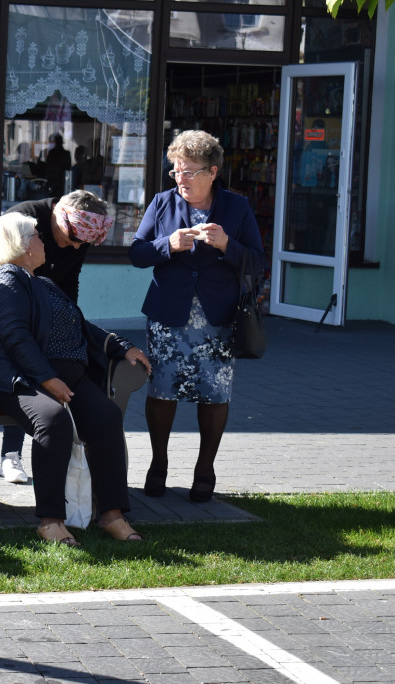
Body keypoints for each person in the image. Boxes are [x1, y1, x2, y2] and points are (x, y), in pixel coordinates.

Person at [0, 212, 151, 546]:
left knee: (107, 417)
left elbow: (82, 327)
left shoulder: (43, 282)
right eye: (37, 236)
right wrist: (48, 379)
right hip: (17, 376)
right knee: (52, 422)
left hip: (63, 377)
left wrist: (121, 346)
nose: (43, 240)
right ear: (22, 245)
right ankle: (51, 520)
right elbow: (15, 337)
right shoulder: (7, 278)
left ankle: (111, 513)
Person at [128, 129, 265, 503]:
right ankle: (158, 465)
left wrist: (226, 245)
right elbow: (137, 254)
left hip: (217, 317)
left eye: (189, 171)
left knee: (214, 394)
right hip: (169, 314)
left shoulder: (236, 208)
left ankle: (205, 469)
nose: (181, 178)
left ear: (212, 171)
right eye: (176, 171)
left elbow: (257, 262)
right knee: (162, 391)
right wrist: (166, 245)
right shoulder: (161, 203)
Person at [0, 189, 104, 483]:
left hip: (29, 310)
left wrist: (65, 318)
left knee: (26, 374)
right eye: (73, 238)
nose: (76, 247)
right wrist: (10, 314)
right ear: (59, 217)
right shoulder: (23, 219)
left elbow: (69, 282)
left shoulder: (79, 232)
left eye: (84, 243)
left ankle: (11, 455)